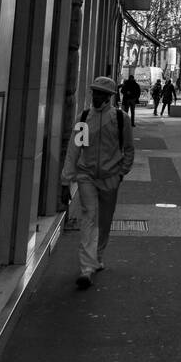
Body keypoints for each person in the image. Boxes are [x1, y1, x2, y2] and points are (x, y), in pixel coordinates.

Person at [61, 76, 134, 289]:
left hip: (111, 177)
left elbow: (128, 149)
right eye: (94, 92)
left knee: (104, 220)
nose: (96, 96)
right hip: (86, 176)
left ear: (109, 96)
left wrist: (121, 173)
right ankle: (86, 268)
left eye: (101, 93)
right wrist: (66, 181)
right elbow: (74, 151)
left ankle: (97, 257)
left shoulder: (121, 119)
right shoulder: (84, 118)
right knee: (89, 217)